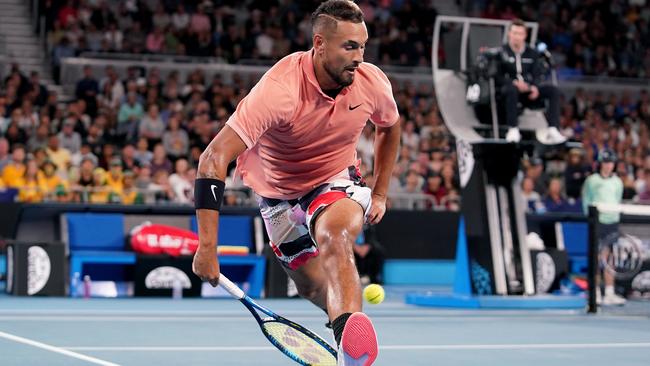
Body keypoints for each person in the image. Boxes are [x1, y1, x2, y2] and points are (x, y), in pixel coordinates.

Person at [192, 1, 399, 365]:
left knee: (335, 236)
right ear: (319, 44)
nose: (359, 57)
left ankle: (352, 352)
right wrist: (207, 247)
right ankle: (344, 316)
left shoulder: (370, 82)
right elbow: (212, 158)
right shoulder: (279, 90)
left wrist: (379, 192)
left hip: (334, 177)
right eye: (349, 46)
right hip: (277, 194)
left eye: (363, 46)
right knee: (311, 284)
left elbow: (390, 126)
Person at [495, 19, 566, 144]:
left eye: (520, 33)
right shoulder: (502, 52)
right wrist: (513, 82)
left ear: (525, 36)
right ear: (509, 34)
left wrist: (534, 87)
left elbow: (536, 74)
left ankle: (553, 129)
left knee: (553, 91)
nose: (517, 36)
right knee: (511, 90)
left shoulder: (532, 53)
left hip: (528, 91)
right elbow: (497, 76)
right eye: (514, 33)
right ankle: (512, 129)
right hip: (509, 92)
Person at [581, 149, 626, 306]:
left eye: (611, 163)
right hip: (597, 222)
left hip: (612, 222)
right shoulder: (592, 180)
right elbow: (586, 201)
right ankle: (595, 292)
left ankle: (609, 292)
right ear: (601, 163)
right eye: (606, 162)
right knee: (596, 257)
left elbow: (617, 200)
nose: (608, 166)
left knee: (610, 259)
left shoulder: (618, 182)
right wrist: (590, 219)